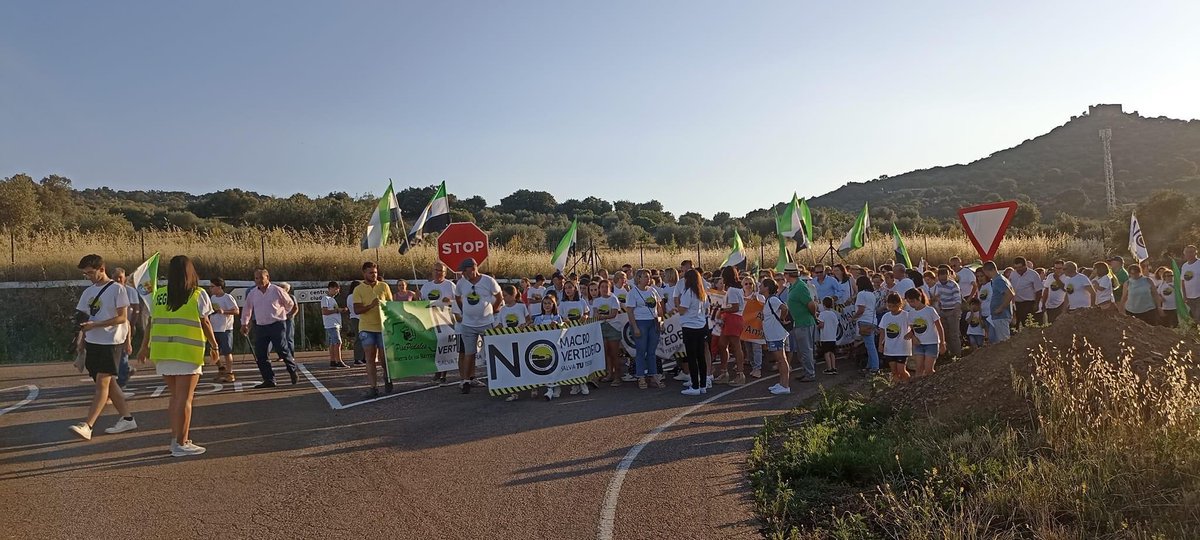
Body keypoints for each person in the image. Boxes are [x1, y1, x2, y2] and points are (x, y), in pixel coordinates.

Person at [137, 255, 220, 457]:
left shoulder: (159, 295)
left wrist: (144, 346)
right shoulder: (197, 294)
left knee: (175, 398)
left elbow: (151, 322)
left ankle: (177, 438)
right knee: (185, 400)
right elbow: (206, 322)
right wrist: (215, 346)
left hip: (163, 352)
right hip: (187, 352)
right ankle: (181, 443)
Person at [68, 254, 136, 442]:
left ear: (102, 269)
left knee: (102, 383)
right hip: (93, 342)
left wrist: (95, 326)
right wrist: (81, 342)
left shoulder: (117, 289)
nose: (88, 276)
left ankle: (88, 425)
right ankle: (128, 418)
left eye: (90, 272)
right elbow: (82, 317)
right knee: (110, 384)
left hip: (110, 342)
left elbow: (122, 318)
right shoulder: (88, 292)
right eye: (85, 273)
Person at [241, 268, 300, 388]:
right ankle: (269, 379)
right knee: (261, 354)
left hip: (277, 324)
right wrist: (244, 324)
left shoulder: (277, 290)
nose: (258, 281)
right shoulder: (252, 293)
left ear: (267, 277)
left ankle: (292, 370)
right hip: (261, 326)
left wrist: (284, 313)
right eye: (256, 278)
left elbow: (289, 303)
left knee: (282, 349)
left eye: (261, 278)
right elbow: (247, 309)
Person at [455, 258, 501, 394]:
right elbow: (457, 297)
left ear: (473, 268)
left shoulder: (488, 281)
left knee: (492, 351)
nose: (463, 273)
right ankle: (466, 381)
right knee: (469, 353)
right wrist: (464, 310)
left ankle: (496, 379)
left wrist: (493, 309)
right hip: (468, 324)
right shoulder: (461, 283)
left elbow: (499, 297)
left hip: (486, 323)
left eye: (465, 270)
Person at [353, 262, 393, 397]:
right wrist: (370, 306)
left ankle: (387, 376)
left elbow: (391, 305)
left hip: (382, 326)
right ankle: (373, 387)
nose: (374, 275)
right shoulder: (358, 289)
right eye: (371, 273)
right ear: (364, 273)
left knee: (383, 358)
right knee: (370, 358)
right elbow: (357, 310)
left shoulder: (384, 286)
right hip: (366, 327)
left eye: (375, 272)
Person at [626, 268, 665, 389]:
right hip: (640, 322)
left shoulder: (653, 290)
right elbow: (630, 311)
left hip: (653, 322)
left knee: (652, 351)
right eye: (645, 277)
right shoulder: (633, 293)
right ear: (638, 278)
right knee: (641, 351)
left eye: (648, 277)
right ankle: (641, 376)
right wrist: (635, 327)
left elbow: (659, 306)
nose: (648, 279)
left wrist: (661, 320)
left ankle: (653, 376)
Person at [676, 269, 711, 396]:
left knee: (691, 357)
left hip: (689, 326)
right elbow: (707, 309)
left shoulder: (688, 292)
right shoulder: (702, 293)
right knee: (700, 356)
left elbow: (682, 310)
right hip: (701, 325)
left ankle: (695, 385)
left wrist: (678, 306)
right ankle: (702, 385)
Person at [759, 278, 792, 395]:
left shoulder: (773, 299)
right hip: (772, 335)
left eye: (761, 285)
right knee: (780, 359)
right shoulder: (768, 300)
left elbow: (784, 308)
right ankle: (782, 383)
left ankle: (785, 385)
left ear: (767, 288)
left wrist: (782, 319)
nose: (759, 287)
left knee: (781, 359)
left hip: (777, 334)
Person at [787, 264, 819, 383]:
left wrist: (813, 315)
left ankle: (810, 374)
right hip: (799, 322)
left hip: (804, 322)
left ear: (787, 274)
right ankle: (807, 371)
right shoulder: (794, 286)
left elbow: (810, 304)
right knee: (802, 350)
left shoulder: (800, 287)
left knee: (806, 350)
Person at [110, 267, 139, 394]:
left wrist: (132, 326)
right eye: (115, 277)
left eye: (120, 277)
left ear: (125, 278)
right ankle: (126, 370)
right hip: (113, 326)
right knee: (117, 352)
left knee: (124, 352)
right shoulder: (110, 291)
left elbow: (136, 309)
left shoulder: (130, 291)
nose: (117, 279)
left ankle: (122, 380)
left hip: (126, 325)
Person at [591, 279, 625, 386]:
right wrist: (600, 317)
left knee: (614, 353)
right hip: (602, 327)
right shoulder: (596, 301)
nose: (604, 289)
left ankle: (617, 376)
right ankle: (609, 374)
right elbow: (595, 313)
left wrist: (602, 316)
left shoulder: (613, 299)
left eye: (606, 287)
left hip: (613, 327)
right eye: (602, 287)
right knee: (606, 353)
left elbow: (613, 314)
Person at [904, 288, 945, 377]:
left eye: (912, 301)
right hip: (919, 344)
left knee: (928, 369)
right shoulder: (911, 313)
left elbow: (939, 326)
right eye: (909, 302)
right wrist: (913, 338)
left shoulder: (930, 310)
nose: (911, 304)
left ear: (919, 298)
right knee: (918, 368)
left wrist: (942, 342)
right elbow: (913, 329)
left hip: (931, 343)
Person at [533, 295, 566, 401]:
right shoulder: (538, 319)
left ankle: (555, 387)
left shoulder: (557, 317)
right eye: (545, 303)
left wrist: (557, 325)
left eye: (549, 303)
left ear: (553, 305)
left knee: (554, 367)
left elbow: (562, 331)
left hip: (554, 346)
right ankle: (548, 387)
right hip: (541, 346)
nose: (547, 305)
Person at [208, 278, 240, 382]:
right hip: (214, 328)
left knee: (227, 352)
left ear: (219, 287)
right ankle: (221, 368)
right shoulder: (212, 298)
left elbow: (236, 311)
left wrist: (224, 311)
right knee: (213, 351)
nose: (210, 289)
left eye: (212, 286)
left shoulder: (228, 297)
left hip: (225, 329)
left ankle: (230, 373)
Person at [878, 293, 912, 383]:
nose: (892, 309)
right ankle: (897, 388)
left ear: (900, 304)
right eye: (889, 306)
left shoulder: (906, 315)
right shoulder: (886, 316)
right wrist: (880, 345)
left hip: (902, 347)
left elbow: (914, 327)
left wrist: (911, 334)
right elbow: (882, 331)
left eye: (894, 306)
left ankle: (908, 384)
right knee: (894, 371)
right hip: (890, 347)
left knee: (901, 370)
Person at [852, 275, 880, 374]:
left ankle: (875, 367)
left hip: (864, 320)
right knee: (869, 345)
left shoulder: (861, 294)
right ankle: (870, 365)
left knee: (870, 346)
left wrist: (853, 317)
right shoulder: (872, 294)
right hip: (872, 320)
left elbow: (861, 309)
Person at [932, 267, 962, 357]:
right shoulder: (937, 285)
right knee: (945, 334)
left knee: (954, 335)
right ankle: (947, 353)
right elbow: (935, 298)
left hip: (952, 311)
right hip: (942, 311)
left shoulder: (953, 285)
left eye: (945, 276)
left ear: (948, 275)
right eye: (941, 276)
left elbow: (957, 299)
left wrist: (956, 310)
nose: (943, 278)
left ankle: (957, 354)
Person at [983, 262, 1015, 343]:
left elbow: (1010, 294)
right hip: (998, 316)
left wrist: (1001, 308)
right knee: (998, 341)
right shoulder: (1001, 279)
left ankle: (1007, 355)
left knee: (1004, 341)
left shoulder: (998, 280)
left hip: (1001, 316)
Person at [321, 281, 349, 369]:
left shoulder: (332, 299)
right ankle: (338, 360)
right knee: (338, 342)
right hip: (331, 324)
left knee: (333, 343)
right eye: (335, 289)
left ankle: (333, 360)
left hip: (335, 323)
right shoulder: (325, 299)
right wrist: (338, 310)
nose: (337, 291)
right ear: (330, 288)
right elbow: (324, 311)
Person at [1010, 257, 1044, 327]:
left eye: (1020, 267)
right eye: (1016, 267)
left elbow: (1038, 290)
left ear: (1025, 266)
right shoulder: (1013, 274)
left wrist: (1036, 304)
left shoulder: (1033, 274)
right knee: (1015, 325)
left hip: (1028, 303)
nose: (1018, 270)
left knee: (1028, 325)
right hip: (1016, 303)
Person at [816, 297, 839, 375]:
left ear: (823, 304)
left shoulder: (822, 314)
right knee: (832, 353)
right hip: (833, 337)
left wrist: (817, 326)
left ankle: (829, 368)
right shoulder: (833, 314)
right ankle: (834, 367)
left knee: (826, 353)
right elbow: (836, 323)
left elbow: (821, 324)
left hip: (825, 337)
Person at [346, 280, 365, 366]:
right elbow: (356, 307)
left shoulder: (356, 295)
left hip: (361, 318)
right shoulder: (351, 296)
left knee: (364, 337)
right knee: (359, 337)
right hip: (356, 318)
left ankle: (363, 357)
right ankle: (357, 358)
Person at [277, 282, 298, 356]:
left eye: (283, 288)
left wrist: (291, 315)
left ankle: (291, 355)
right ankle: (282, 355)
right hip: (280, 319)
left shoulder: (291, 297)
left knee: (289, 337)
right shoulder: (277, 298)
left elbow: (295, 308)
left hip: (289, 319)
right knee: (280, 337)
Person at [1183, 245, 1200, 321]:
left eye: (1191, 252)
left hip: (1198, 296)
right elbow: (1183, 281)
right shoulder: (1184, 266)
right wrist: (1184, 296)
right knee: (1195, 318)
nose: (1189, 254)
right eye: (1187, 252)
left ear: (1196, 253)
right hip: (1189, 298)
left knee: (1198, 317)